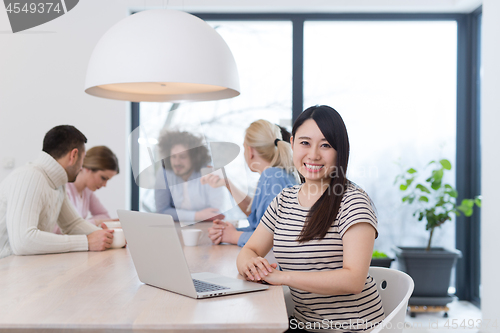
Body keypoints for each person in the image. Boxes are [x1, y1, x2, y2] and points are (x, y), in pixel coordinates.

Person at [236, 106, 385, 332]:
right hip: (304, 324)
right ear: (293, 143)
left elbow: (353, 280)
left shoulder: (352, 201)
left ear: (340, 150)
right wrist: (250, 264)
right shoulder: (284, 199)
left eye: (325, 145)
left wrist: (282, 277)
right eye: (305, 143)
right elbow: (249, 250)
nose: (313, 154)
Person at [0, 125, 114, 260]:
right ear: (73, 155)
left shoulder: (58, 183)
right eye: (82, 160)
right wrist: (86, 242)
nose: (82, 166)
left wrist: (110, 238)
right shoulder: (30, 176)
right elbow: (23, 242)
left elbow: (72, 224)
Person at [203, 119, 297, 247]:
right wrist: (228, 231)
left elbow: (273, 237)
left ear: (250, 151)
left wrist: (233, 236)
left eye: (243, 148)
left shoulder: (272, 176)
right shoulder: (276, 174)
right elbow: (260, 225)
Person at [154, 130, 229, 223]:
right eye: (173, 156)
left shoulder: (209, 172)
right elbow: (161, 212)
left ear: (194, 158)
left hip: (207, 228)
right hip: (176, 229)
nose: (176, 162)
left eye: (182, 157)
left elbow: (215, 213)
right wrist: (198, 215)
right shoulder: (164, 173)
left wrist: (177, 214)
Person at [53, 146, 119, 234]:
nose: (104, 185)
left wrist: (84, 225)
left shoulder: (87, 192)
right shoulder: (64, 189)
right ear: (88, 168)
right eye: (103, 178)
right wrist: (95, 222)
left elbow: (104, 215)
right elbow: (58, 229)